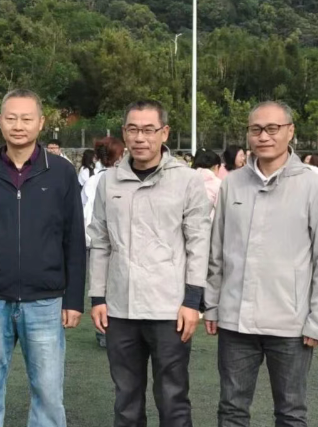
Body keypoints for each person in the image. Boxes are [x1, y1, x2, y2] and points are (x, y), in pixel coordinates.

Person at [205, 101, 318, 427]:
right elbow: (217, 250)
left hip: (291, 324)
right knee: (232, 409)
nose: (263, 136)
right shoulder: (233, 183)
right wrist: (212, 305)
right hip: (236, 322)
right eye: (256, 129)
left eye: (272, 128)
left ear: (290, 131)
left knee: (291, 412)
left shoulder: (313, 184)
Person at [0, 89, 86, 427]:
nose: (18, 125)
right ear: (0, 122)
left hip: (44, 301)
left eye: (26, 118)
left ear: (40, 123)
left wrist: (74, 299)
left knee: (48, 391)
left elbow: (74, 239)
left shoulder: (61, 172)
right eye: (11, 118)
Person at [88, 100, 212, 427]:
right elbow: (100, 241)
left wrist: (192, 301)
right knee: (126, 400)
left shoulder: (187, 180)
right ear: (124, 133)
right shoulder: (109, 181)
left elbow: (198, 243)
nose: (140, 138)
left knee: (173, 399)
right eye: (133, 129)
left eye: (148, 130)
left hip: (169, 310)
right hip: (120, 308)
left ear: (164, 132)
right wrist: (98, 297)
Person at [81, 137, 125, 349]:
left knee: (99, 284)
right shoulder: (118, 179)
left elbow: (83, 208)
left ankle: (103, 330)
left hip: (93, 238)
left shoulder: (92, 180)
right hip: (113, 238)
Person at [191, 148, 222, 217]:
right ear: (216, 167)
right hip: (208, 221)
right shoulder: (218, 184)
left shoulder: (189, 178)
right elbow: (220, 209)